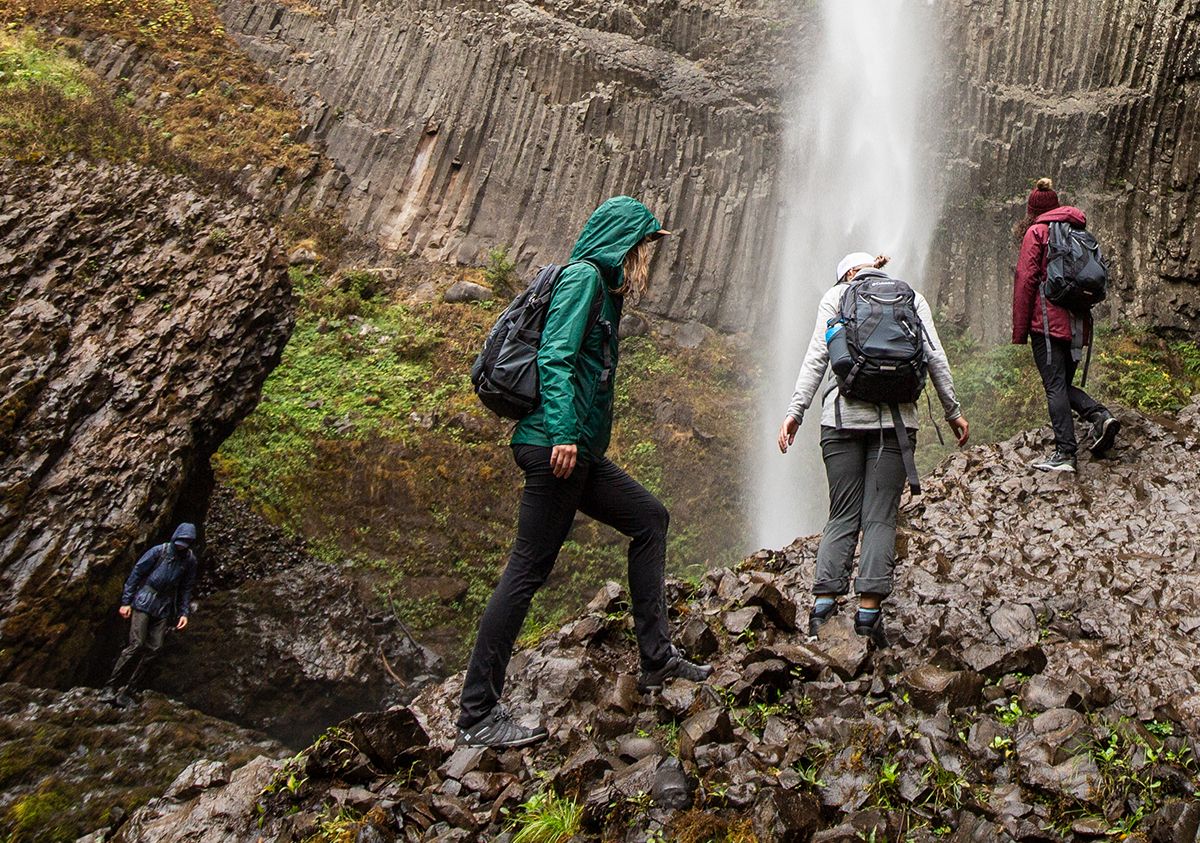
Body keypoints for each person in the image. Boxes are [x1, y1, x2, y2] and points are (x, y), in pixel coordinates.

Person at [456, 196, 712, 749]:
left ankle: (657, 660)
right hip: (555, 447)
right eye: (645, 245)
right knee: (527, 570)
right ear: (622, 242)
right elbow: (555, 355)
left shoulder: (602, 289)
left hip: (573, 452)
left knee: (650, 519)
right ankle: (477, 712)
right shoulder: (584, 280)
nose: (649, 257)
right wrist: (567, 432)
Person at [777, 253, 969, 648]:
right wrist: (953, 412)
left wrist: (795, 412)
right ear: (877, 270)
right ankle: (867, 616)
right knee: (880, 516)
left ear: (846, 274)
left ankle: (822, 609)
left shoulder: (836, 298)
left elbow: (816, 357)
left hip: (841, 423)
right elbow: (935, 357)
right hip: (896, 426)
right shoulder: (910, 297)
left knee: (842, 513)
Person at [1012, 178, 1119, 472]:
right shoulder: (1078, 230)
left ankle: (1065, 452)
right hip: (1077, 325)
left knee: (1054, 385)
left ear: (1032, 209)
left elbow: (1025, 281)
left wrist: (1020, 331)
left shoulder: (1037, 232)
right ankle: (1099, 416)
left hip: (1047, 324)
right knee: (1061, 383)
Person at [99, 523, 198, 708]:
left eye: (185, 544)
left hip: (163, 607)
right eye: (180, 543)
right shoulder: (158, 551)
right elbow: (136, 573)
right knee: (136, 644)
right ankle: (109, 686)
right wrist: (126, 602)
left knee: (155, 648)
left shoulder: (190, 560)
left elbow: (186, 588)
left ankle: (128, 690)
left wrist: (183, 613)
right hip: (144, 601)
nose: (181, 547)